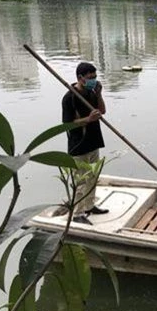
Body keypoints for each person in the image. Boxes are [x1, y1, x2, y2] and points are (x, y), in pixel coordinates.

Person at [62, 62, 108, 224]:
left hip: (94, 141)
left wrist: (99, 94)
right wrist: (88, 119)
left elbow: (102, 111)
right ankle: (77, 213)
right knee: (80, 181)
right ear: (80, 78)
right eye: (90, 78)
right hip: (79, 144)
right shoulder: (70, 98)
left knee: (93, 177)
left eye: (95, 77)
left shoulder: (92, 92)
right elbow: (68, 123)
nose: (93, 80)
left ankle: (89, 206)